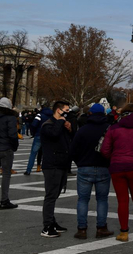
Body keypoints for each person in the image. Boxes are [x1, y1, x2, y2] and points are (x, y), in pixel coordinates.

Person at [100, 103, 133, 242]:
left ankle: (124, 232)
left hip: (117, 167)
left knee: (122, 201)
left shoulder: (113, 128)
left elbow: (104, 150)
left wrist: (114, 158)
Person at [69, 104, 113, 239]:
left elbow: (73, 150)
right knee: (102, 199)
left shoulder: (83, 130)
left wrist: (80, 163)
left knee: (82, 199)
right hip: (103, 167)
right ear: (104, 114)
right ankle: (101, 227)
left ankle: (82, 229)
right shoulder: (109, 129)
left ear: (90, 114)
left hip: (85, 167)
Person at [40, 101, 73, 238]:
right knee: (50, 196)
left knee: (55, 194)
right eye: (66, 110)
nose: (68, 113)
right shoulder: (47, 125)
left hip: (61, 163)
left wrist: (69, 128)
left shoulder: (61, 125)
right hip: (52, 164)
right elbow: (53, 134)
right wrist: (60, 122)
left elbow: (68, 140)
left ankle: (52, 221)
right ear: (59, 110)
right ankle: (47, 226)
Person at [0, 97, 19, 210]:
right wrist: (14, 146)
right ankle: (4, 200)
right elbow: (13, 135)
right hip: (6, 148)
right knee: (6, 174)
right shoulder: (10, 118)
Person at [25, 106, 52, 175]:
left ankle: (28, 170)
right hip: (48, 136)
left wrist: (33, 133)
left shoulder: (40, 115)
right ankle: (47, 169)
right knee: (47, 154)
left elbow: (34, 124)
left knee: (33, 154)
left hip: (39, 135)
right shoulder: (52, 115)